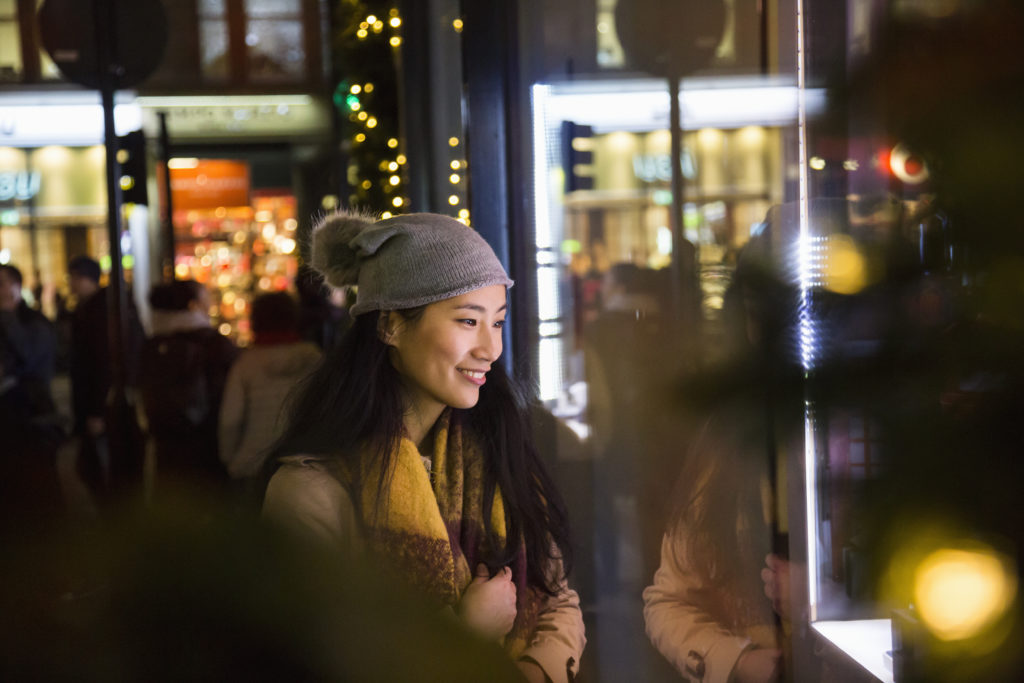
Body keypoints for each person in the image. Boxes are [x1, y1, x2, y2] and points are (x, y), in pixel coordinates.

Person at [262, 212, 586, 683]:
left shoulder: (499, 452)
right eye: (467, 320)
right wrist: (463, 631)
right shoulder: (310, 491)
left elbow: (557, 597)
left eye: (497, 322)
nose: (490, 348)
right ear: (391, 326)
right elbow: (310, 659)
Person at [642, 410, 789, 683]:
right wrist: (738, 660)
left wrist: (818, 598)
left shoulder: (833, 442)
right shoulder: (716, 481)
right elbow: (670, 603)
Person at [139, 280, 238, 499]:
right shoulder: (213, 343)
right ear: (193, 305)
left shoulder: (152, 344)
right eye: (205, 297)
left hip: (165, 441)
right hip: (207, 439)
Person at [218, 291, 320, 501]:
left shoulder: (246, 364)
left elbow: (230, 419)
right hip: (303, 465)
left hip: (252, 465)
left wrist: (230, 459)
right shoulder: (313, 359)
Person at [67, 255, 146, 505]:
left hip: (104, 406)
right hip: (108, 404)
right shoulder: (102, 307)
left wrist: (96, 411)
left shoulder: (100, 311)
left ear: (82, 278)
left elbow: (101, 364)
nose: (69, 284)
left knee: (103, 469)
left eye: (72, 278)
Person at [0, 263, 64, 532]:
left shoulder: (34, 323)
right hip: (8, 422)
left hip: (31, 418)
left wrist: (7, 314)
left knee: (36, 497)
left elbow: (28, 355)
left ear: (16, 287)